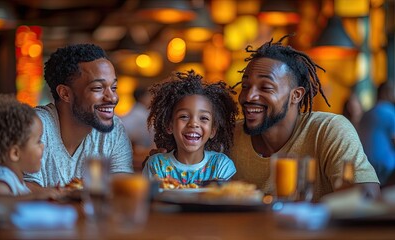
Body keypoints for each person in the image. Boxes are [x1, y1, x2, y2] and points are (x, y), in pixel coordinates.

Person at [230, 35, 380, 201]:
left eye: (265, 87)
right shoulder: (231, 136)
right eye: (245, 86)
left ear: (296, 95)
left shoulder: (328, 129)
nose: (249, 96)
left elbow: (366, 197)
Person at [0, 43, 134, 191]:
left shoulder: (114, 130)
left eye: (113, 87)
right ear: (65, 93)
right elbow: (24, 192)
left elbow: (121, 187)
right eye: (98, 88)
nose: (112, 98)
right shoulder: (33, 127)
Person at [142, 70, 238, 185]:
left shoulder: (221, 165)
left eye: (203, 118)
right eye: (184, 116)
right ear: (169, 125)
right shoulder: (157, 165)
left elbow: (223, 200)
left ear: (213, 130)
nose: (193, 124)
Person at [0, 94, 62, 200]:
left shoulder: (14, 178)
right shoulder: (1, 176)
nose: (43, 146)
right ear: (15, 153)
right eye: (38, 141)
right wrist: (33, 197)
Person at [358, 81, 395, 186]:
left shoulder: (366, 113)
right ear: (386, 93)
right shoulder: (390, 111)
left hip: (366, 165)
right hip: (386, 168)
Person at [121, 86, 155, 172]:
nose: (151, 99)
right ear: (142, 97)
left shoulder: (133, 111)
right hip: (136, 156)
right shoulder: (142, 114)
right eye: (148, 96)